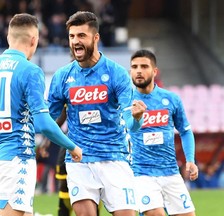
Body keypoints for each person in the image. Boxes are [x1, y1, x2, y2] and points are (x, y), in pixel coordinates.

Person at [0, 13, 82, 216]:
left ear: (8, 37)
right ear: (34, 40)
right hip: (17, 159)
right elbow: (42, 124)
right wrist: (72, 146)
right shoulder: (30, 71)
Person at [48, 11, 146, 216]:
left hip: (114, 158)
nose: (75, 41)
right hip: (79, 160)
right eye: (72, 36)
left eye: (81, 36)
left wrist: (137, 119)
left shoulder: (116, 73)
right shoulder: (62, 76)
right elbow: (48, 118)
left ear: (95, 38)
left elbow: (131, 122)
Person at [129, 49, 198, 216]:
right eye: (134, 66)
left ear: (154, 71)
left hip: (171, 173)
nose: (138, 70)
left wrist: (190, 160)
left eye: (144, 66)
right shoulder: (125, 100)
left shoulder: (171, 99)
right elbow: (127, 128)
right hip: (141, 173)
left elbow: (185, 131)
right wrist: (137, 119)